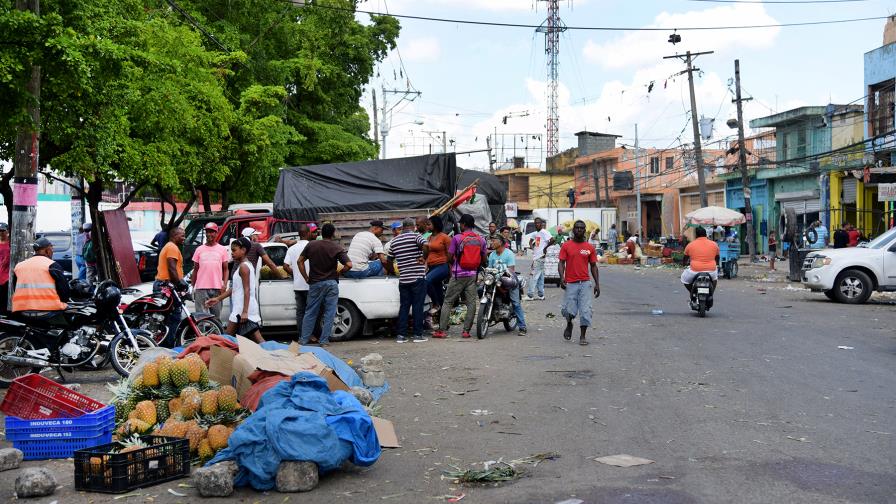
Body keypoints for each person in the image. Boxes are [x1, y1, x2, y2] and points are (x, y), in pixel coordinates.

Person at [297, 223, 352, 346]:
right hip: (331, 283)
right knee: (329, 313)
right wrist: (339, 272)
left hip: (315, 283)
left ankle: (303, 340)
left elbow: (299, 261)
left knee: (310, 312)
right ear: (333, 234)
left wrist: (306, 277)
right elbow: (349, 265)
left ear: (321, 233)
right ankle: (324, 341)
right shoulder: (336, 247)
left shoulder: (311, 245)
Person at [433, 214, 485, 339]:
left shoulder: (457, 238)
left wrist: (456, 263)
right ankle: (466, 331)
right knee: (471, 303)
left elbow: (449, 257)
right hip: (472, 275)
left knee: (448, 301)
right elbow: (484, 259)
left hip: (458, 275)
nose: (460, 225)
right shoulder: (481, 239)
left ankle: (442, 330)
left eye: (461, 223)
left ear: (464, 224)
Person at [205, 237, 263, 343]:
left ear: (243, 250)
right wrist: (218, 299)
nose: (232, 253)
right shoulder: (243, 266)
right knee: (251, 339)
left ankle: (272, 352)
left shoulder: (244, 267)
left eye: (234, 250)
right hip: (241, 308)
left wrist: (245, 312)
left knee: (227, 338)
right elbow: (235, 288)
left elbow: (247, 290)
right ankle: (269, 352)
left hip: (243, 309)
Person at [558, 221, 600, 346]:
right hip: (570, 283)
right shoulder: (566, 246)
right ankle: (569, 323)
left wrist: (597, 284)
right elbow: (561, 263)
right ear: (573, 230)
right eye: (577, 228)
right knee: (568, 310)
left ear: (584, 230)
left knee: (586, 310)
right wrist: (561, 278)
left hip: (585, 283)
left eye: (582, 228)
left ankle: (583, 336)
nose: (579, 230)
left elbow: (593, 266)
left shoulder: (589, 247)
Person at [389, 218, 429, 343]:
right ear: (413, 226)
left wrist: (393, 270)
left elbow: (389, 259)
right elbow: (426, 245)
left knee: (404, 307)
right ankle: (417, 335)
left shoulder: (394, 241)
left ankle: (401, 335)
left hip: (404, 279)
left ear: (403, 227)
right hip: (417, 277)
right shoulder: (416, 236)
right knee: (418, 306)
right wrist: (424, 257)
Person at [11, 237, 70, 314]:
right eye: (52, 249)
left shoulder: (19, 266)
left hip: (21, 310)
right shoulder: (52, 265)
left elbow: (15, 288)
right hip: (49, 310)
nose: (52, 252)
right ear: (47, 251)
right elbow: (64, 292)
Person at [282, 223, 319, 343]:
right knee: (311, 312)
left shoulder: (292, 249)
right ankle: (310, 335)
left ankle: (302, 336)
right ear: (308, 233)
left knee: (300, 312)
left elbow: (285, 266)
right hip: (311, 284)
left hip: (298, 286)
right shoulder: (312, 246)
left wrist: (295, 274)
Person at [488, 235, 527, 336]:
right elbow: (489, 269)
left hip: (509, 281)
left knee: (515, 303)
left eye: (494, 241)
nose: (491, 243)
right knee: (481, 290)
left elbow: (511, 271)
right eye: (491, 241)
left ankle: (522, 327)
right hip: (496, 281)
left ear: (500, 242)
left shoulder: (509, 254)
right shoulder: (492, 255)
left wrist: (501, 278)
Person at [191, 222, 230, 321]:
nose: (209, 234)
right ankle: (202, 332)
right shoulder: (199, 249)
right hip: (201, 288)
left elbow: (226, 269)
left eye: (212, 232)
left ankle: (215, 332)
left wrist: (224, 285)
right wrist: (192, 286)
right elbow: (195, 269)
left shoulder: (222, 249)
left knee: (216, 318)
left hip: (217, 288)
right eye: (207, 232)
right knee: (201, 318)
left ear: (216, 233)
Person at [155, 227, 186, 347]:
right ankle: (169, 344)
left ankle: (166, 343)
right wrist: (179, 284)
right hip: (166, 285)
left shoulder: (169, 246)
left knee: (167, 317)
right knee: (174, 315)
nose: (184, 238)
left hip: (164, 284)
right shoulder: (172, 247)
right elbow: (172, 268)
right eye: (182, 235)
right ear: (174, 235)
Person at [425, 216, 451, 318]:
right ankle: (443, 320)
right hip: (432, 267)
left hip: (442, 266)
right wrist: (425, 264)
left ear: (435, 225)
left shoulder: (445, 237)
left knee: (426, 280)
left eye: (429, 224)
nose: (427, 226)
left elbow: (450, 254)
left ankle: (436, 304)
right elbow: (427, 254)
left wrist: (451, 270)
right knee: (438, 292)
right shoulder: (429, 238)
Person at [681, 226, 720, 293]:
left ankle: (693, 293)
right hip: (711, 270)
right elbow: (717, 257)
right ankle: (711, 294)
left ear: (696, 235)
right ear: (706, 234)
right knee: (715, 278)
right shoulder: (714, 244)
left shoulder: (690, 245)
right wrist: (717, 264)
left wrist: (684, 264)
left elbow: (685, 258)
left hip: (695, 270)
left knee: (684, 279)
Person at [525, 218, 554, 301]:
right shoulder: (537, 233)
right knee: (540, 277)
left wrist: (545, 248)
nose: (537, 224)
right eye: (536, 223)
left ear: (541, 224)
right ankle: (541, 295)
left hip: (540, 257)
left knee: (533, 276)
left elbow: (552, 240)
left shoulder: (544, 232)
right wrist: (532, 247)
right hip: (537, 257)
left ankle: (530, 295)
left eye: (538, 223)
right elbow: (532, 242)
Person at [0, 224, 9, 315]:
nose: (1, 233)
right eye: (0, 231)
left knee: (5, 297)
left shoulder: (11, 243)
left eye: (3, 231)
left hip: (7, 275)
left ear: (7, 231)